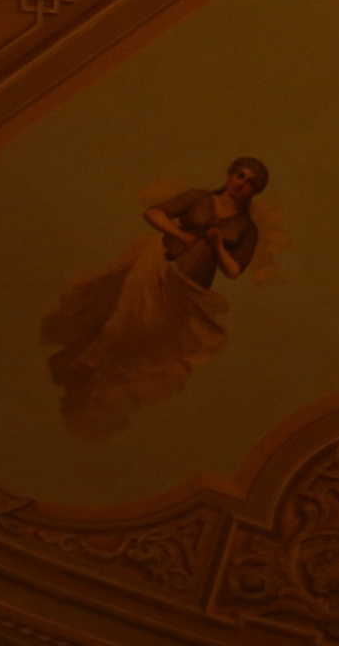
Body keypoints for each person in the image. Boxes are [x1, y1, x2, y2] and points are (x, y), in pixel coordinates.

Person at [42, 159, 274, 438]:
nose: (242, 184)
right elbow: (153, 213)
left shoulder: (246, 227)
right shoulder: (199, 197)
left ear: (255, 192)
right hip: (158, 268)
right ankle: (89, 369)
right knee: (126, 321)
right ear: (229, 174)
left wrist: (217, 248)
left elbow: (234, 270)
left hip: (189, 291)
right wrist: (178, 234)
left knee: (154, 343)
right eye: (240, 176)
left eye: (251, 183)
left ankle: (106, 389)